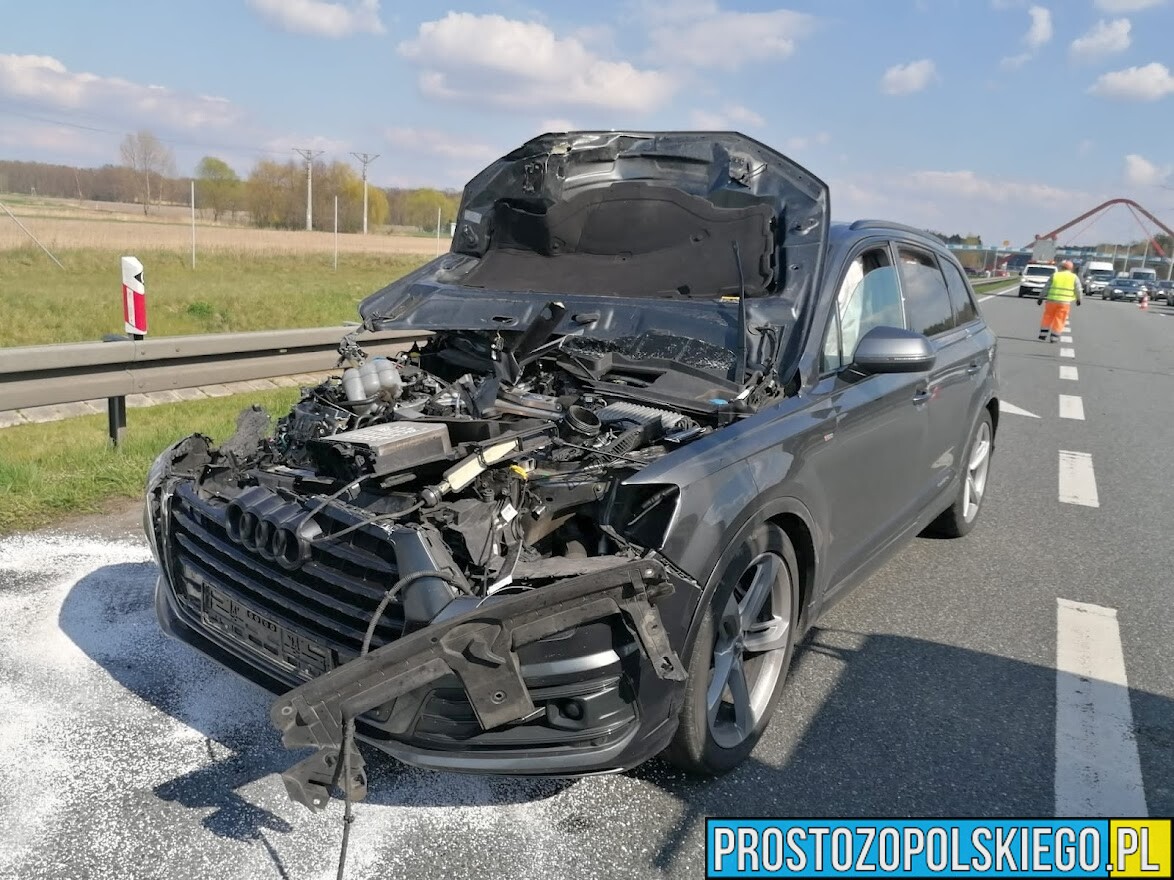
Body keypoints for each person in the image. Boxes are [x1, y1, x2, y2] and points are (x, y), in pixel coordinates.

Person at [1038, 260, 1082, 342]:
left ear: (1061, 267)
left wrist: (1041, 297)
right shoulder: (1074, 277)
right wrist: (1079, 299)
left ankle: (1043, 334)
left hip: (1051, 301)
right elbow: (1078, 290)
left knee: (1048, 316)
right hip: (1064, 302)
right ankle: (1054, 337)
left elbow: (1046, 287)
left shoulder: (1055, 275)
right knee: (1060, 319)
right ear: (1071, 268)